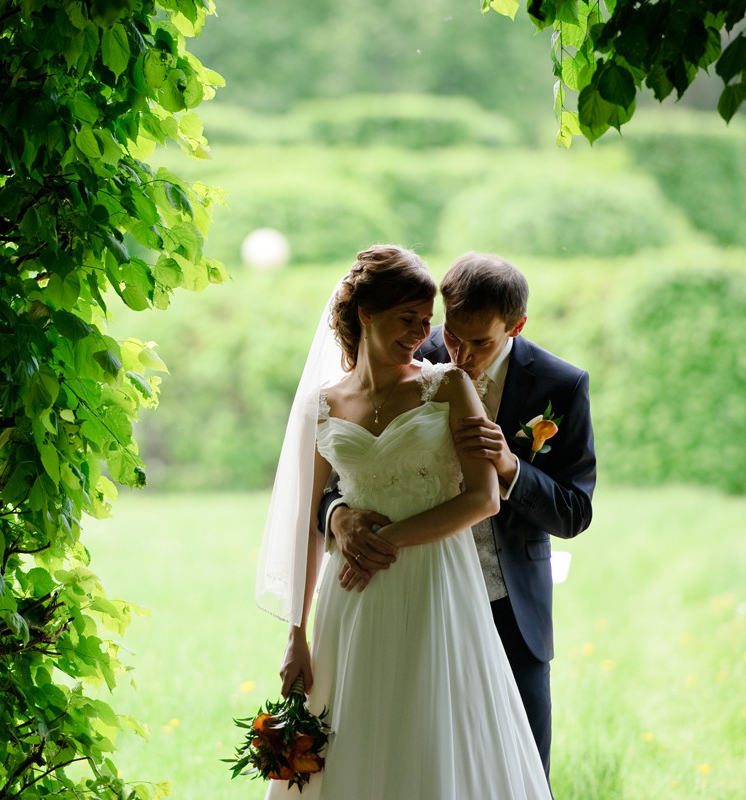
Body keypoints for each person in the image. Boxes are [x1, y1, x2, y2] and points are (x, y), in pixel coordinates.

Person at [256, 245, 551, 799]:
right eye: (407, 319)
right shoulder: (322, 405)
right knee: (356, 724)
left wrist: (383, 540)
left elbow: (484, 499)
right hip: (352, 597)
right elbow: (307, 518)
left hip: (437, 582)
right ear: (365, 313)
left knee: (429, 722)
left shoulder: (448, 387)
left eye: (425, 321)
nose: (422, 333)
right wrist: (296, 635)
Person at [320, 252, 597, 777]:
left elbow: (574, 512)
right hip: (409, 595)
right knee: (411, 760)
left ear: (516, 326)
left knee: (518, 770)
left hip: (508, 604)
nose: (460, 353)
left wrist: (512, 466)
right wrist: (338, 516)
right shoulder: (406, 354)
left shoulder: (560, 386)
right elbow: (340, 459)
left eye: (481, 342)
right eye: (451, 335)